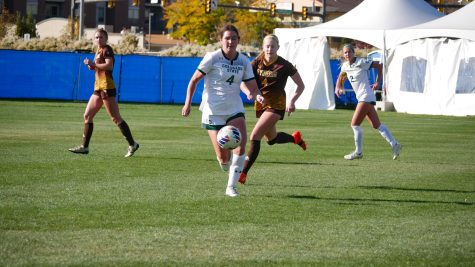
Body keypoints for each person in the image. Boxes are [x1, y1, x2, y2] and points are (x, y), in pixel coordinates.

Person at [181, 25, 264, 197]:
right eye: (227, 38)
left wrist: (257, 96)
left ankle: (231, 187)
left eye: (234, 38)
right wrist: (187, 103)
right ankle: (224, 162)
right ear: (221, 40)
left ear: (238, 41)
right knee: (224, 158)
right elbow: (194, 80)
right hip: (213, 110)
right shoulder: (212, 57)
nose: (230, 41)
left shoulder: (243, 61)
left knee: (240, 148)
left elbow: (252, 87)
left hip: (234, 108)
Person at [239, 34, 306, 185]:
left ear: (278, 48)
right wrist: (249, 92)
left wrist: (292, 101)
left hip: (277, 105)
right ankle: (295, 138)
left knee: (255, 135)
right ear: (263, 47)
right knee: (272, 139)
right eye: (267, 46)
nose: (269, 49)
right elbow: (241, 82)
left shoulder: (284, 65)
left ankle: (242, 173)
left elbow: (301, 86)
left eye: (272, 46)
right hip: (261, 104)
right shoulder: (256, 63)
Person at [69, 28, 139, 157]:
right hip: (98, 87)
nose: (98, 39)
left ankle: (132, 144)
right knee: (87, 116)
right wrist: (92, 66)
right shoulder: (98, 50)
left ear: (106, 39)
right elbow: (98, 68)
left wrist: (94, 65)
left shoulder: (107, 49)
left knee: (116, 118)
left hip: (107, 87)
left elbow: (109, 66)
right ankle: (85, 147)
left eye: (101, 37)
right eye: (96, 37)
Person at [335, 43, 401, 160]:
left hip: (366, 96)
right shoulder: (345, 66)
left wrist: (377, 82)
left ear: (353, 52)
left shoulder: (361, 62)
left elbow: (379, 66)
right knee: (377, 125)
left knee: (354, 124)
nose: (347, 54)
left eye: (349, 52)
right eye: (345, 52)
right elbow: (341, 76)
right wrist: (338, 87)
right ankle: (395, 145)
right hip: (364, 97)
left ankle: (358, 152)